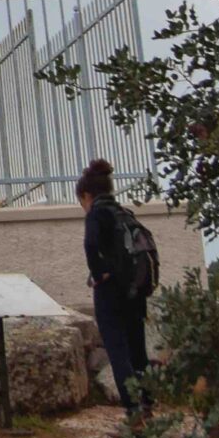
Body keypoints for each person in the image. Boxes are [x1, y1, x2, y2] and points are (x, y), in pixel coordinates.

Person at [77, 157, 151, 420]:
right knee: (138, 350)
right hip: (135, 289)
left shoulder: (97, 213)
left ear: (87, 195)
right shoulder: (124, 213)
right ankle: (147, 404)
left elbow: (90, 245)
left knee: (118, 352)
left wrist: (98, 275)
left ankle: (133, 411)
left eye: (81, 202)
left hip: (111, 292)